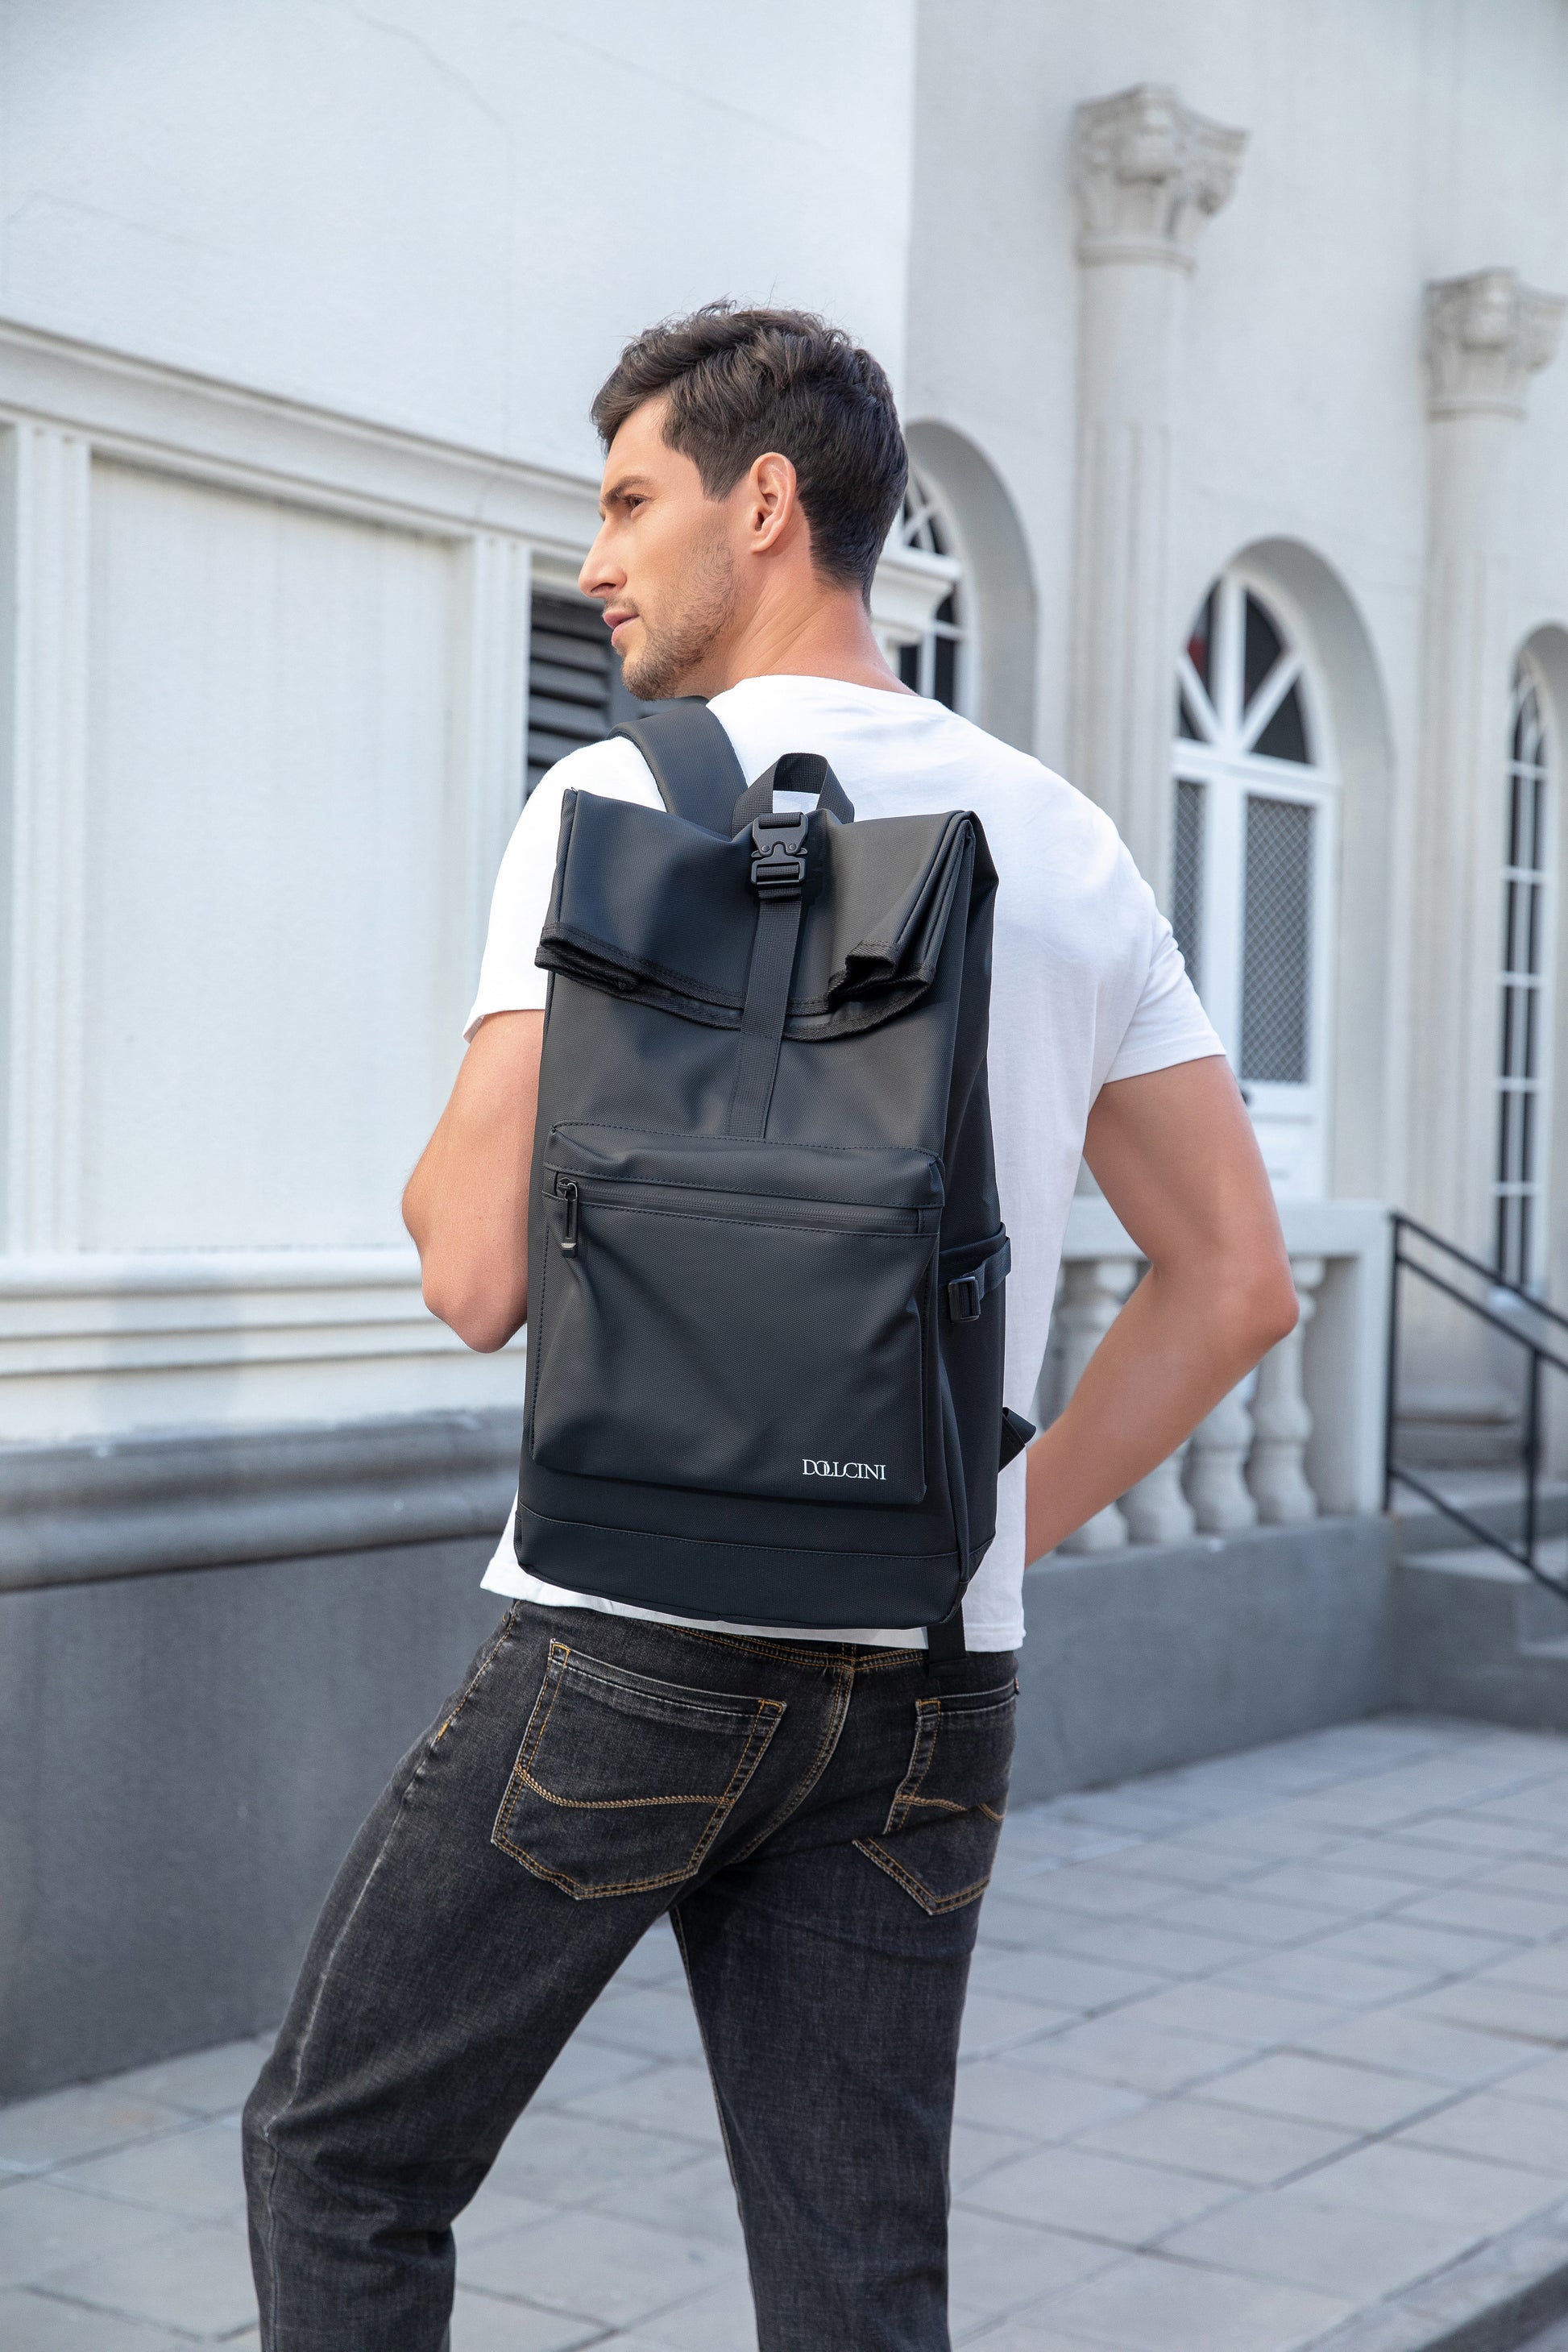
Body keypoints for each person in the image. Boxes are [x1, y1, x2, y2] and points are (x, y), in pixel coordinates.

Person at [243, 303, 1298, 2351]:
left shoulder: (617, 801)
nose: (595, 561)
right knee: (856, 2277)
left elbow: (472, 1277)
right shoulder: (1066, 839)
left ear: (764, 501)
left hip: (638, 1634)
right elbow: (1235, 1282)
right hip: (934, 1674)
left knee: (340, 2155)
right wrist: (993, 1532)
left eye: (628, 501)